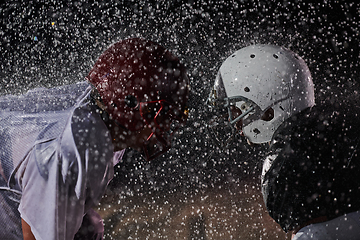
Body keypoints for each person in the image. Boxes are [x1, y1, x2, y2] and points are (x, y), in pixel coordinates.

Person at [0, 37, 189, 240]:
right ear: (129, 104)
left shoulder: (104, 115)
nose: (165, 124)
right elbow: (34, 232)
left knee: (88, 228)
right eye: (158, 112)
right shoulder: (71, 151)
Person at [206, 44, 360, 239]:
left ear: (269, 111)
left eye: (237, 109)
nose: (233, 121)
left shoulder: (289, 164)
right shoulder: (333, 129)